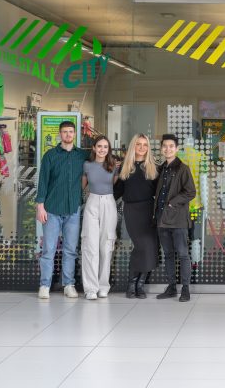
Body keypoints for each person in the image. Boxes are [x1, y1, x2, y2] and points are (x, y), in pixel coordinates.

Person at [36, 120, 87, 300]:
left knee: (70, 250)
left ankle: (68, 284)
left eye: (71, 132)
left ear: (75, 134)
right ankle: (44, 285)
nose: (68, 135)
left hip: (73, 209)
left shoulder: (81, 155)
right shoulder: (50, 155)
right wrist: (40, 206)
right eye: (64, 132)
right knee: (48, 249)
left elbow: (101, 158)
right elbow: (42, 181)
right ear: (60, 134)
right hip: (51, 209)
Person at [114, 133, 159, 299]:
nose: (141, 148)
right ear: (134, 146)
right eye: (138, 144)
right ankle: (132, 284)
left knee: (149, 247)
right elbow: (117, 191)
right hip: (132, 211)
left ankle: (139, 285)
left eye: (145, 144)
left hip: (148, 210)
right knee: (141, 247)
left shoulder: (154, 167)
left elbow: (159, 193)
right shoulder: (125, 167)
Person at [154, 134, 196, 302]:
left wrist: (172, 203)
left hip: (177, 218)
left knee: (183, 254)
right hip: (162, 218)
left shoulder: (183, 168)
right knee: (168, 254)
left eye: (171, 146)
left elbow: (190, 192)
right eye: (165, 146)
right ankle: (171, 287)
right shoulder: (161, 168)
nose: (167, 149)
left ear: (177, 149)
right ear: (162, 148)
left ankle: (185, 289)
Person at [81, 136, 119, 300]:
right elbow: (83, 186)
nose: (102, 149)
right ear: (94, 148)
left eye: (105, 147)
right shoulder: (87, 165)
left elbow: (115, 185)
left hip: (109, 203)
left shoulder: (113, 166)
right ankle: (90, 288)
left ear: (108, 149)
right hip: (92, 202)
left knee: (106, 245)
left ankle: (103, 286)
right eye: (99, 146)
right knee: (90, 245)